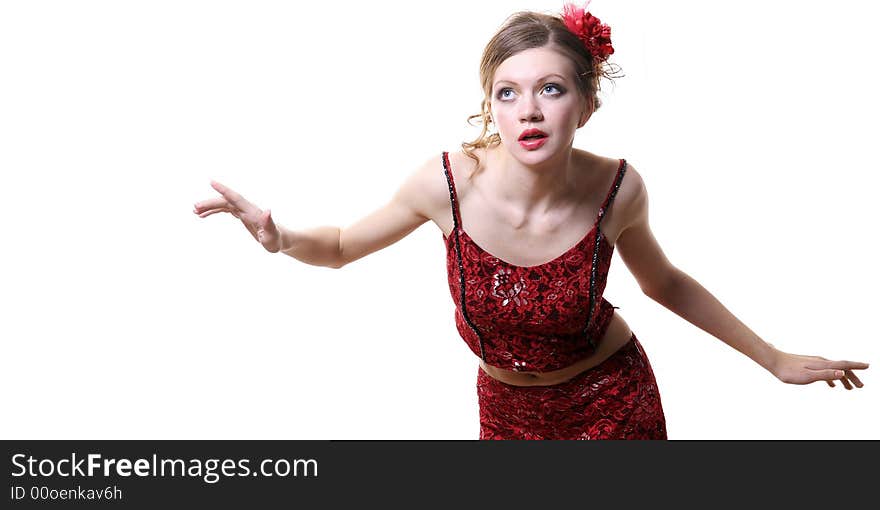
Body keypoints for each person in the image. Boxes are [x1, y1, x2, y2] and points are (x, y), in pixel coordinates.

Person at [192, 2, 869, 440]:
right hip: (508, 412)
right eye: (508, 93)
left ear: (585, 102)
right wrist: (280, 240)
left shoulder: (618, 189)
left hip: (614, 401)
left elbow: (664, 283)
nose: (530, 111)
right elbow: (339, 246)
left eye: (551, 88)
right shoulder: (448, 183)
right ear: (491, 106)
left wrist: (773, 359)